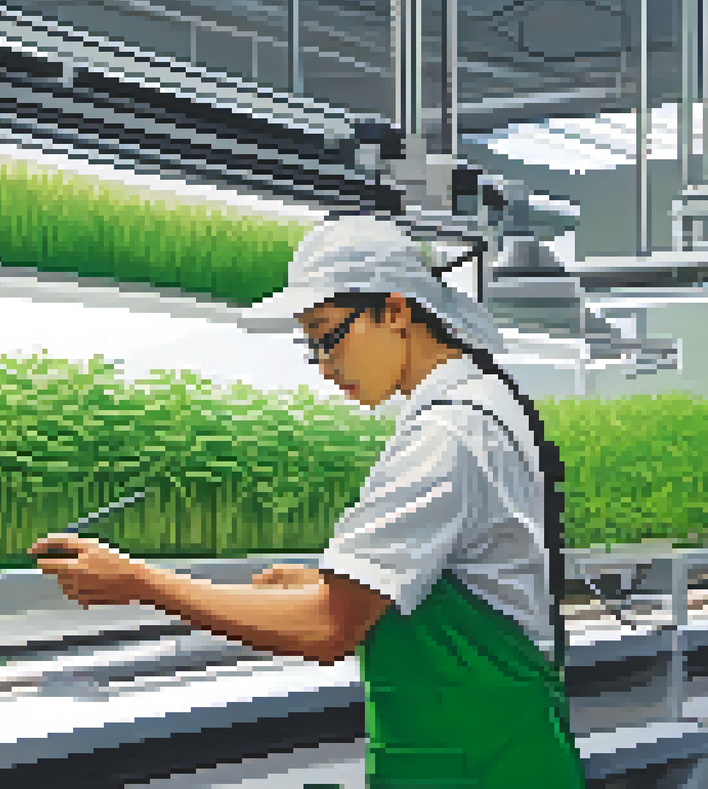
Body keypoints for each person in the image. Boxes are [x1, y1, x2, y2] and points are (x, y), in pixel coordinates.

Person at [30, 214, 585, 788]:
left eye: (328, 335)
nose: (324, 366)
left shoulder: (448, 434)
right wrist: (336, 584)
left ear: (395, 312)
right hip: (492, 751)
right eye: (310, 345)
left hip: (482, 767)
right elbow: (459, 581)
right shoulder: (477, 404)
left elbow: (327, 630)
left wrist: (137, 583)